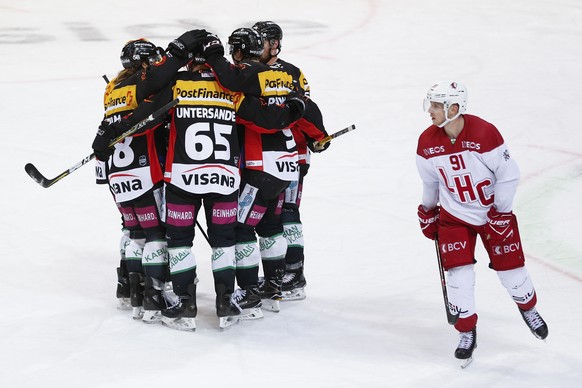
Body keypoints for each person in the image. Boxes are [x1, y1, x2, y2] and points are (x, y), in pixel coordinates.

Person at [103, 51, 306, 331]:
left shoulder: (178, 85)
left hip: (182, 181)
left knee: (179, 243)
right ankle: (227, 303)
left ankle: (184, 305)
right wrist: (294, 108)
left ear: (189, 62)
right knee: (225, 241)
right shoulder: (230, 90)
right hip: (223, 181)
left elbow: (145, 121)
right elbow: (265, 121)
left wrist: (109, 131)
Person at [415, 81, 549, 364]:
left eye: (437, 106)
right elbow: (430, 182)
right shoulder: (426, 141)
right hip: (454, 217)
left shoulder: (484, 133)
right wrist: (428, 211)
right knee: (458, 277)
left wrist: (501, 213)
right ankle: (467, 331)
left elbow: (509, 174)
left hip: (492, 214)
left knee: (512, 273)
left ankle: (528, 307)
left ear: (454, 108)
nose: (430, 111)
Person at [199, 28, 328, 312]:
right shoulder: (283, 76)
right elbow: (307, 109)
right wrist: (320, 136)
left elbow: (249, 106)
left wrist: (211, 56)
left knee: (241, 227)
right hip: (287, 167)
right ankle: (275, 284)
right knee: (271, 225)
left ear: (240, 51)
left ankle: (249, 292)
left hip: (260, 168)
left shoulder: (246, 80)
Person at [93, 38, 173, 322]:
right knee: (154, 235)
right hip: (146, 171)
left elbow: (105, 131)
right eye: (152, 60)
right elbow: (152, 120)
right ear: (142, 62)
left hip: (118, 174)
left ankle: (130, 290)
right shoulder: (145, 86)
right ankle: (154, 297)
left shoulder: (112, 88)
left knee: (132, 231)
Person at [252, 21, 329, 301]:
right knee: (268, 216)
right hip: (262, 157)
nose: (254, 46)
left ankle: (293, 275)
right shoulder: (252, 71)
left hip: (292, 155)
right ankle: (279, 273)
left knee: (287, 213)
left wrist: (314, 138)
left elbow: (304, 111)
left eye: (259, 41)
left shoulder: (291, 73)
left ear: (274, 44)